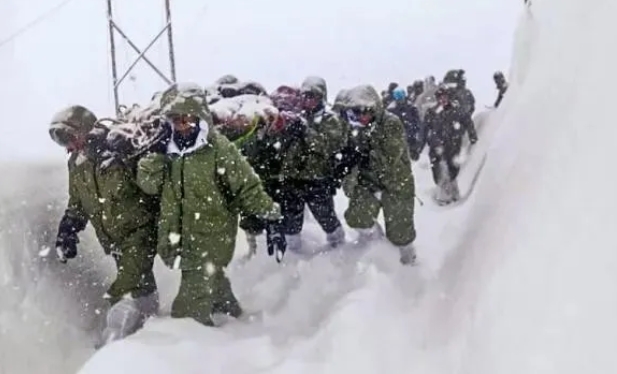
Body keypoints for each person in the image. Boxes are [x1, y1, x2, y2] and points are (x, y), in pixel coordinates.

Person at [137, 83, 282, 326]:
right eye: (176, 120)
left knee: (188, 312)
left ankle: (188, 350)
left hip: (211, 235)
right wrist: (154, 157)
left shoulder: (218, 148)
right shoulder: (168, 150)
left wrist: (271, 216)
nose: (182, 126)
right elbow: (150, 185)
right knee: (211, 280)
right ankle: (233, 318)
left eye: (187, 119)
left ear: (200, 117)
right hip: (180, 234)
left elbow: (247, 185)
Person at [48, 105, 160, 346]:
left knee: (122, 292)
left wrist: (128, 156)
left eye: (68, 137)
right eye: (60, 140)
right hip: (115, 240)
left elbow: (153, 184)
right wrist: (68, 229)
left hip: (139, 232)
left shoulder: (120, 150)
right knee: (141, 288)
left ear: (85, 131)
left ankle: (112, 349)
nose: (67, 145)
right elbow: (78, 203)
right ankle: (149, 332)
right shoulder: (76, 164)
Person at [338, 85, 417, 265]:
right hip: (369, 182)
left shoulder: (391, 123)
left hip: (397, 182)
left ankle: (409, 264)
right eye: (354, 113)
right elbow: (349, 153)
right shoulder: (356, 127)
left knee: (400, 232)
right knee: (357, 217)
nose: (359, 117)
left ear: (373, 108)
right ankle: (379, 251)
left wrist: (363, 152)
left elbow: (391, 157)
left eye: (362, 112)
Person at [278, 76, 347, 252]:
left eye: (312, 96)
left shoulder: (330, 119)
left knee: (327, 218)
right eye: (305, 96)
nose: (307, 101)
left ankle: (339, 249)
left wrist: (305, 131)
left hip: (317, 178)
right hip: (292, 178)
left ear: (321, 97)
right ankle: (293, 256)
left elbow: (328, 145)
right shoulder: (295, 117)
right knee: (291, 223)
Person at [424, 85, 478, 205]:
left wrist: (472, 136)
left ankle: (454, 195)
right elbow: (429, 130)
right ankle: (444, 197)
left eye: (444, 97)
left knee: (452, 171)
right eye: (440, 98)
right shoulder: (435, 114)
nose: (442, 100)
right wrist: (430, 143)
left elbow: (468, 121)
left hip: (453, 146)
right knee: (440, 171)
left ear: (448, 97)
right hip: (438, 148)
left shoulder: (457, 111)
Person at [386, 87, 424, 160]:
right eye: (398, 97)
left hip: (410, 140)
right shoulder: (391, 109)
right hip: (397, 142)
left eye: (401, 97)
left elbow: (417, 123)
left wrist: (416, 139)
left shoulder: (411, 108)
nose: (400, 99)